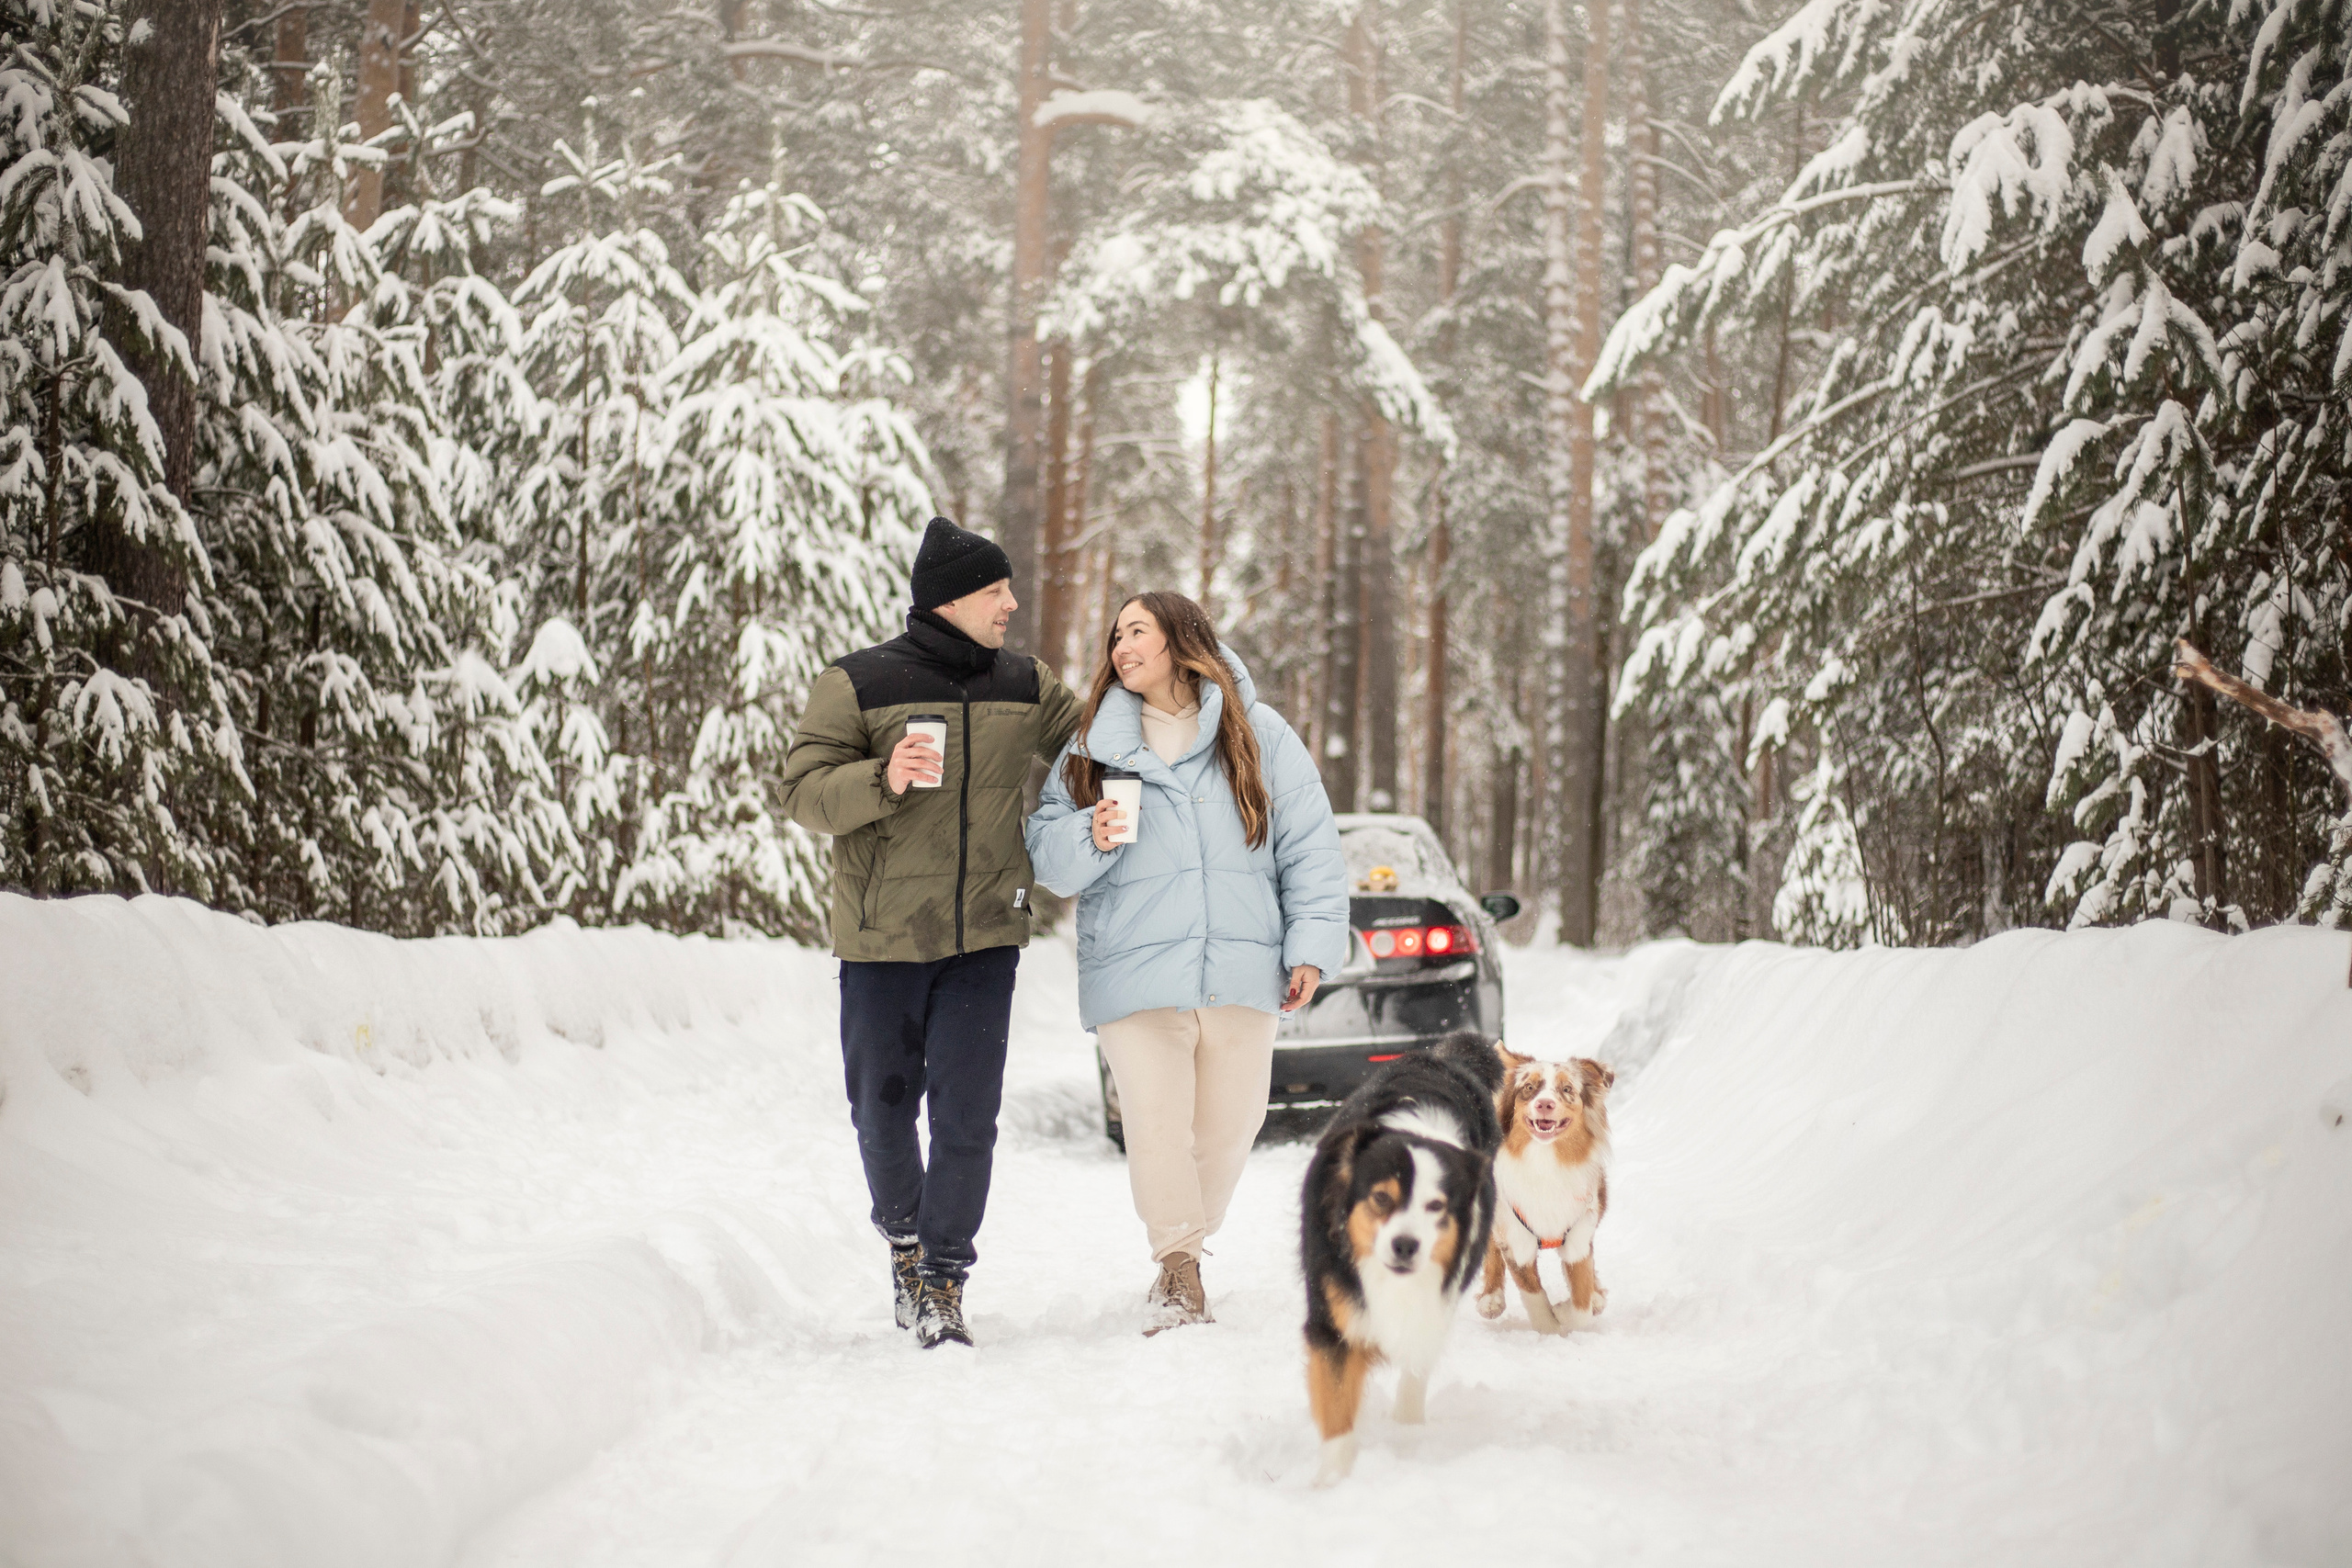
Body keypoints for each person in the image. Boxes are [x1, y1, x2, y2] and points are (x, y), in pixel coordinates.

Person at [780, 516, 1081, 1348]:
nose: (1012, 604)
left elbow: (1094, 740)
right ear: (950, 600)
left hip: (986, 934)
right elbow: (803, 792)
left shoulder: (1024, 681)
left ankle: (944, 1278)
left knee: (968, 1119)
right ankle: (905, 1241)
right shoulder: (857, 681)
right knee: (881, 1114)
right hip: (882, 937)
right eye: (996, 591)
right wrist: (882, 777)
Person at [1025, 591, 1348, 1334]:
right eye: (1115, 635)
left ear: (1181, 639)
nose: (1121, 646)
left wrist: (1309, 946)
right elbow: (1047, 854)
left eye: (1137, 630)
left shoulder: (1257, 732)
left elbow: (1310, 844)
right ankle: (1178, 1264)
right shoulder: (1094, 743)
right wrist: (1091, 833)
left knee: (1232, 1126)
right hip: (1133, 969)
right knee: (1156, 1123)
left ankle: (1188, 1244)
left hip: (1240, 964)